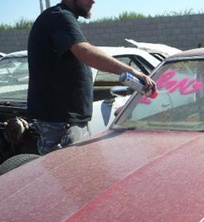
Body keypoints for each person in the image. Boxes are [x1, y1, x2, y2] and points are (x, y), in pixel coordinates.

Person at [27, 0, 156, 155]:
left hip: (65, 120)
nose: (94, 0)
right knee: (72, 173)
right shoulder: (59, 16)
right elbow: (84, 51)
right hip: (62, 122)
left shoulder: (59, 17)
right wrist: (131, 71)